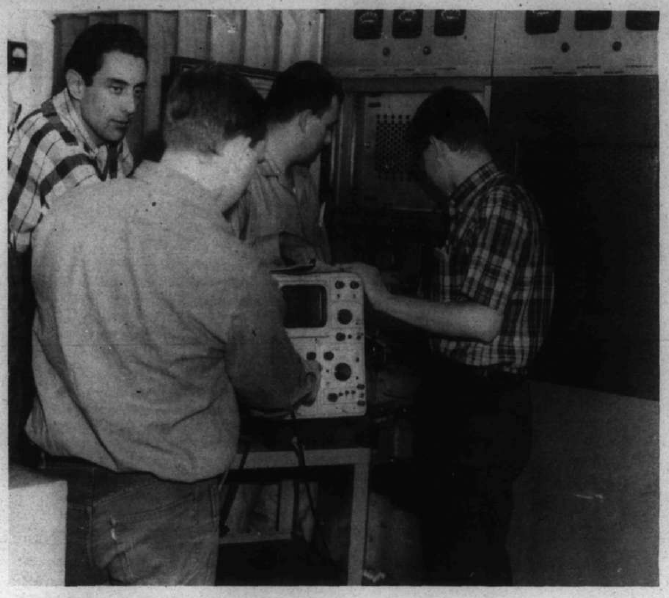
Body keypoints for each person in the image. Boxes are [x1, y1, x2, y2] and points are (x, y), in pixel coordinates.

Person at [25, 64, 320, 586]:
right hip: (164, 517)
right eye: (253, 161)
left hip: (56, 500)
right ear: (237, 149)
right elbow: (272, 387)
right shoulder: (230, 264)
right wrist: (306, 381)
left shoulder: (63, 217)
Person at [343, 87, 554, 585]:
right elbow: (457, 302)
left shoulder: (499, 205)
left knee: (468, 559)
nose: (424, 175)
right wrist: (385, 284)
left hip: (484, 408)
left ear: (436, 147)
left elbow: (481, 320)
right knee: (449, 554)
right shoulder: (475, 205)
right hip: (462, 401)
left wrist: (383, 299)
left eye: (422, 159)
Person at [7, 22, 148, 464]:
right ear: (75, 84)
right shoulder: (52, 137)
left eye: (137, 91)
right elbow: (117, 244)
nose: (129, 107)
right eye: (116, 88)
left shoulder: (106, 134)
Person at [226, 60, 343, 267]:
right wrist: (277, 246)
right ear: (305, 120)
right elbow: (214, 261)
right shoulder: (242, 177)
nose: (328, 140)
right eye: (328, 127)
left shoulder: (304, 180)